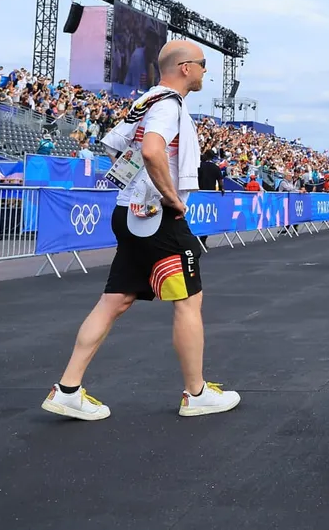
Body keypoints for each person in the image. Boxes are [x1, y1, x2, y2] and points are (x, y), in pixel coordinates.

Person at [42, 40, 240, 421]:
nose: (204, 71)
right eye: (201, 64)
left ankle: (67, 389)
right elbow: (151, 151)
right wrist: (170, 197)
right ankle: (196, 393)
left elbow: (118, 149)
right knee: (188, 301)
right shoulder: (168, 105)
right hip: (156, 217)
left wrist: (140, 188)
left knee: (114, 300)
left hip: (129, 211)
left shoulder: (145, 101)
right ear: (185, 68)